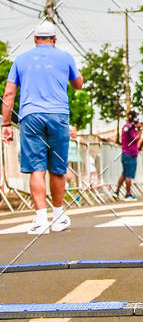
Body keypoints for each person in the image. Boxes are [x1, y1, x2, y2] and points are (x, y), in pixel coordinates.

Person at [1, 19, 84, 234]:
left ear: (35, 39)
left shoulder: (21, 59)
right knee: (57, 169)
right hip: (58, 116)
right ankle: (58, 217)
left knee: (36, 169)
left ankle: (40, 220)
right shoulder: (65, 57)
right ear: (55, 39)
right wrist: (72, 75)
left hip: (30, 116)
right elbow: (78, 84)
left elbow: (9, 94)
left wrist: (6, 124)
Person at [115, 110, 142, 200]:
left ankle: (117, 192)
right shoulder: (131, 129)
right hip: (131, 154)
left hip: (124, 153)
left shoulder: (125, 127)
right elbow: (136, 139)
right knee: (128, 175)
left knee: (124, 174)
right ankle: (128, 194)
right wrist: (139, 130)